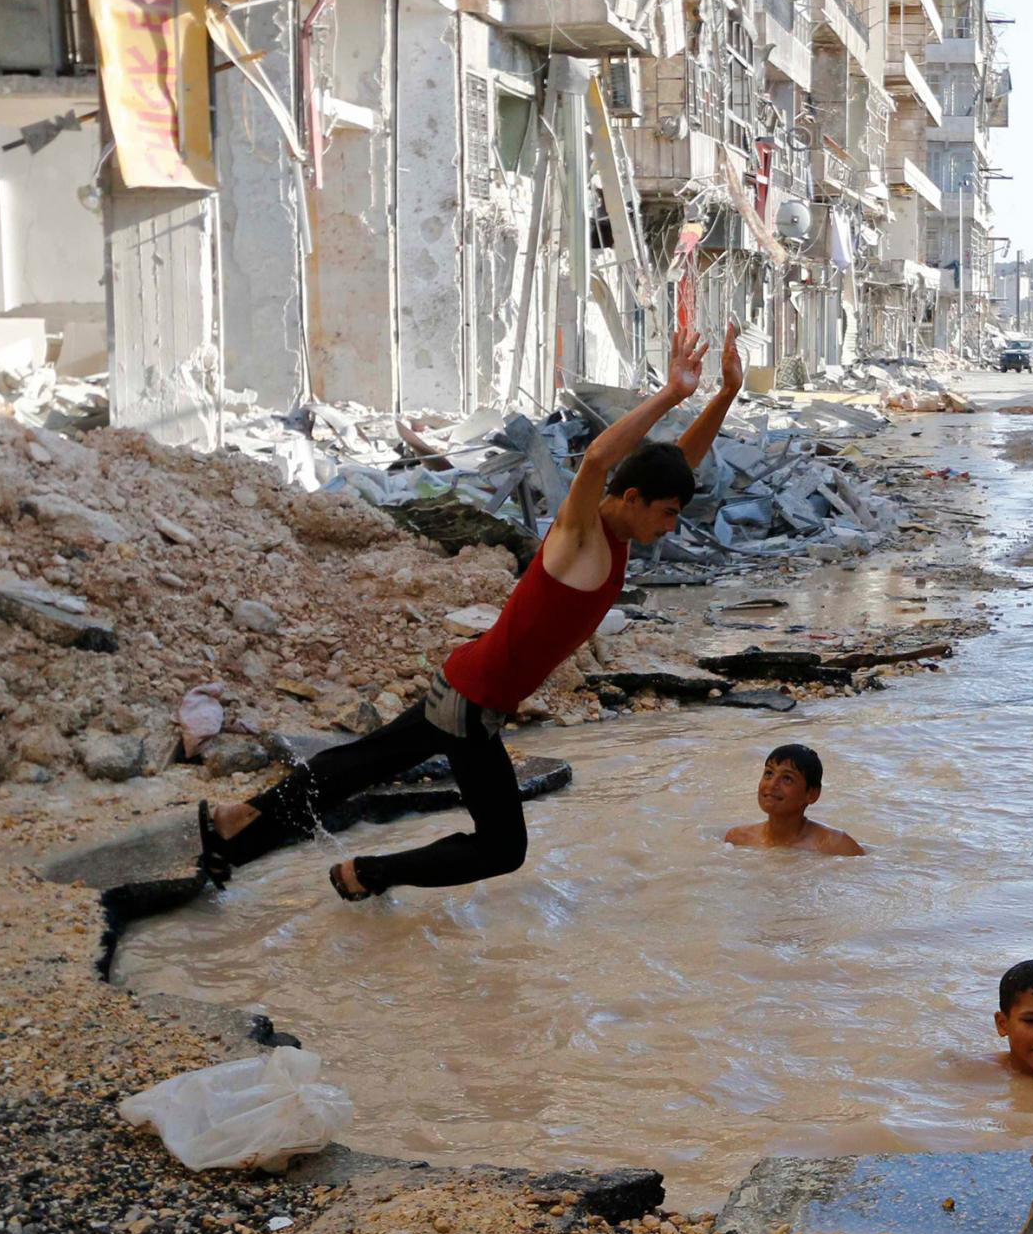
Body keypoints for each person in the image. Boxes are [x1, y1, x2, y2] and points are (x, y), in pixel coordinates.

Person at [197, 324, 745, 900]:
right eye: (669, 513)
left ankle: (241, 819)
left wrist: (724, 395)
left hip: (466, 684)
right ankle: (366, 874)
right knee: (502, 848)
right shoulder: (580, 536)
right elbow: (599, 462)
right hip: (472, 705)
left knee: (361, 765)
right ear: (633, 499)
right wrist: (671, 394)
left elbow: (673, 464)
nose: (671, 526)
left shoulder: (623, 524)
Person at [722, 743, 865, 856]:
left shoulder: (837, 846)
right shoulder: (738, 839)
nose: (772, 784)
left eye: (787, 779)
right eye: (769, 773)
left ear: (812, 794)